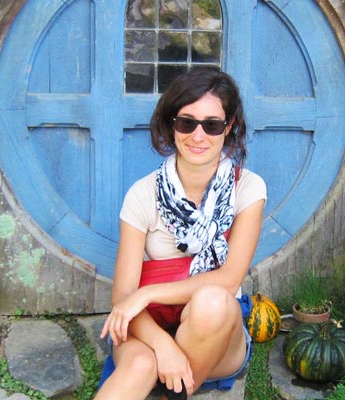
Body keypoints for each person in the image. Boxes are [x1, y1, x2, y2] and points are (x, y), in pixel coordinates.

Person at [96, 66, 266, 399]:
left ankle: (169, 392)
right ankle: (162, 372)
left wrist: (146, 294)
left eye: (212, 125)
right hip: (151, 326)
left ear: (228, 128)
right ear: (172, 124)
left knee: (214, 301)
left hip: (215, 330)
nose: (198, 136)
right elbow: (122, 298)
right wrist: (163, 345)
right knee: (139, 366)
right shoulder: (142, 194)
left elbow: (230, 279)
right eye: (187, 122)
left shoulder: (248, 188)